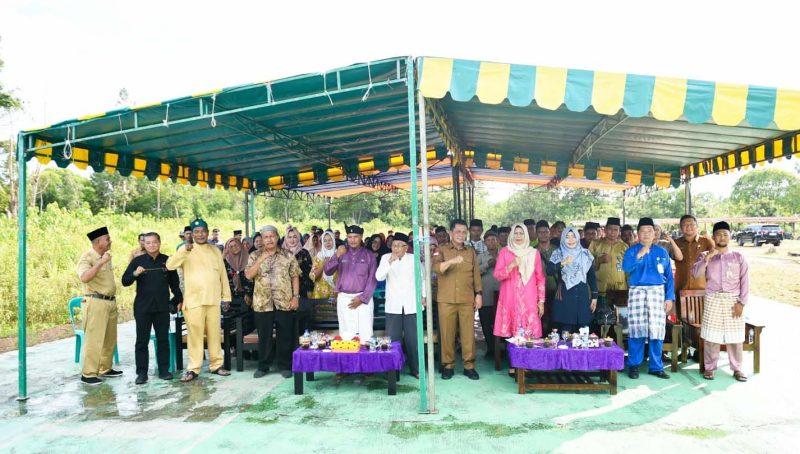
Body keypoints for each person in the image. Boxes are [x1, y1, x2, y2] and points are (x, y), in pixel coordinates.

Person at [166, 218, 232, 382]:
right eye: (196, 232)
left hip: (213, 300)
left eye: (203, 231)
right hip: (194, 301)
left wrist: (226, 297)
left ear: (207, 233)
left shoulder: (215, 250)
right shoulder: (185, 250)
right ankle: (193, 368)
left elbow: (223, 275)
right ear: (191, 234)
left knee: (214, 335)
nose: (200, 234)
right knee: (195, 336)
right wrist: (184, 250)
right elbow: (170, 265)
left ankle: (216, 365)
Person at [692, 221, 750, 382]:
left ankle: (737, 368)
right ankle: (710, 368)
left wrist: (741, 303)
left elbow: (745, 281)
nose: (722, 237)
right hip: (713, 298)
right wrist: (708, 257)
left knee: (735, 337)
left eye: (725, 234)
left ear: (730, 236)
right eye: (719, 234)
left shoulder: (738, 257)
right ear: (713, 237)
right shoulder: (705, 255)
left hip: (733, 300)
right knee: (711, 336)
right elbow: (696, 274)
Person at [122, 232, 182, 384]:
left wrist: (179, 299)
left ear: (159, 243)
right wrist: (135, 273)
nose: (151, 245)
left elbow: (175, 285)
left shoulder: (167, 261)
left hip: (162, 307)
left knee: (163, 339)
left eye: (154, 242)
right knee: (142, 341)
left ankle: (164, 370)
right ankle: (142, 373)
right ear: (144, 244)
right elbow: (125, 281)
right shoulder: (137, 261)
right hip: (143, 307)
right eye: (148, 243)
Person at [622, 217, 675, 379]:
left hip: (657, 293)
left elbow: (669, 277)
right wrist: (640, 254)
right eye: (642, 231)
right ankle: (634, 365)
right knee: (636, 330)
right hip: (637, 291)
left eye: (649, 231)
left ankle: (656, 366)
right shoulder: (631, 251)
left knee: (656, 331)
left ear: (654, 233)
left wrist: (669, 297)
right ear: (637, 234)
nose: (646, 234)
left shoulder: (662, 252)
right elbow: (626, 267)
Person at [245, 225, 301, 378]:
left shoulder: (288, 255)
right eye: (266, 237)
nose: (269, 239)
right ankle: (263, 366)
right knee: (264, 336)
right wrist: (261, 259)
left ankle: (285, 365)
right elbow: (249, 275)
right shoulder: (254, 255)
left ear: (277, 237)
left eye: (272, 236)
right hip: (262, 302)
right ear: (262, 239)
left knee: (285, 335)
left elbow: (295, 276)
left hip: (284, 301)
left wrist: (296, 297)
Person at [432, 219, 483, 380]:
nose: (461, 235)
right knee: (447, 334)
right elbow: (436, 268)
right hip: (446, 299)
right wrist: (452, 261)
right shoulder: (441, 250)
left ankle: (469, 366)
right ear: (450, 233)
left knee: (468, 334)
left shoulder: (470, 252)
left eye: (464, 232)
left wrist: (479, 293)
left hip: (467, 298)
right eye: (458, 231)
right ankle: (448, 366)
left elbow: (476, 274)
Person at [494, 224, 546, 376]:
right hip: (510, 298)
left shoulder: (533, 253)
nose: (518, 236)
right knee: (513, 332)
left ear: (526, 235)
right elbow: (497, 275)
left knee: (528, 331)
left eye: (521, 233)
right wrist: (511, 265)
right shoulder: (505, 252)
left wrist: (541, 301)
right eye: (515, 233)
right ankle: (513, 364)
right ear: (511, 235)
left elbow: (540, 278)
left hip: (529, 298)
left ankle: (526, 363)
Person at [76, 226, 122, 385]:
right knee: (94, 340)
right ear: (98, 242)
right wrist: (101, 263)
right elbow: (84, 277)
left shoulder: (106, 256)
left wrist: (104, 260)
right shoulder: (87, 257)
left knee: (110, 339)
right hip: (95, 302)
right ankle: (88, 374)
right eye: (107, 239)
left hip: (110, 302)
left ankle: (105, 368)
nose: (110, 241)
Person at [376, 232, 425, 378]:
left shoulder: (413, 258)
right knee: (393, 339)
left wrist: (424, 296)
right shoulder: (385, 257)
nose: (396, 248)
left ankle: (415, 368)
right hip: (393, 305)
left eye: (399, 246)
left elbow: (422, 279)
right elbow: (379, 277)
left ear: (406, 247)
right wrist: (390, 262)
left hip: (411, 304)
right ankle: (393, 371)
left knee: (412, 339)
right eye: (394, 245)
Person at [324, 224, 378, 340]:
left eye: (356, 237)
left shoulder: (369, 255)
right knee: (346, 336)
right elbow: (327, 271)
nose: (352, 240)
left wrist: (362, 298)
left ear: (361, 237)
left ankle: (365, 351)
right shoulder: (341, 252)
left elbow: (372, 279)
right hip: (344, 298)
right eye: (350, 237)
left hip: (363, 299)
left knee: (365, 335)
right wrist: (337, 255)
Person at [547, 227, 598, 333]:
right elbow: (549, 271)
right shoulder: (558, 253)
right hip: (565, 296)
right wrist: (563, 263)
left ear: (578, 238)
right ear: (563, 239)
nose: (570, 240)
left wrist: (594, 297)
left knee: (583, 330)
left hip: (583, 295)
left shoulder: (585, 254)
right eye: (567, 237)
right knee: (566, 331)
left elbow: (591, 277)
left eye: (573, 236)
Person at [673, 214, 713, 306]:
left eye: (691, 224)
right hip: (681, 288)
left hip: (702, 289)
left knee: (703, 315)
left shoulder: (706, 241)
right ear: (680, 228)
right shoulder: (675, 243)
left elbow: (716, 253)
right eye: (685, 225)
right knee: (682, 314)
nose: (689, 227)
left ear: (697, 226)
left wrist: (711, 240)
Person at [284, 228, 315, 337]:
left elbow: (309, 273)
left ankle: (303, 345)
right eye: (289, 237)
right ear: (285, 239)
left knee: (302, 323)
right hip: (284, 294)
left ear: (298, 238)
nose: (292, 240)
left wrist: (309, 290)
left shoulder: (304, 253)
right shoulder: (282, 254)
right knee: (287, 325)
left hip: (301, 292)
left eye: (295, 237)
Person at [589, 217, 629, 296]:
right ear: (605, 229)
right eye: (610, 229)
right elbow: (586, 266)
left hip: (620, 289)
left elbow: (628, 269)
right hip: (600, 289)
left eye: (616, 230)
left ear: (619, 231)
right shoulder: (595, 244)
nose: (612, 232)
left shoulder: (624, 247)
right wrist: (598, 261)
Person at [477, 229, 500, 359]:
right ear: (485, 242)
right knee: (486, 324)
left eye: (493, 240)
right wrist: (487, 264)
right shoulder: (481, 257)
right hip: (485, 297)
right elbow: (474, 273)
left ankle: (501, 348)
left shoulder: (503, 254)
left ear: (497, 241)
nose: (491, 242)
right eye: (488, 240)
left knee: (500, 323)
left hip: (501, 297)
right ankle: (490, 348)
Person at [535, 220, 558, 332]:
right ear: (536, 234)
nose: (543, 234)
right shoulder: (533, 251)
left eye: (545, 231)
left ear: (550, 232)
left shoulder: (557, 250)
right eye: (540, 232)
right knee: (542, 319)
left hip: (556, 290)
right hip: (539, 292)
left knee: (555, 319)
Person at [310, 231, 338, 299]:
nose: (328, 242)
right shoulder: (319, 257)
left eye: (330, 240)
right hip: (319, 293)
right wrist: (324, 265)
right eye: (325, 241)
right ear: (322, 242)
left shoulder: (338, 255)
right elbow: (312, 276)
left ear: (333, 241)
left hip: (335, 292)